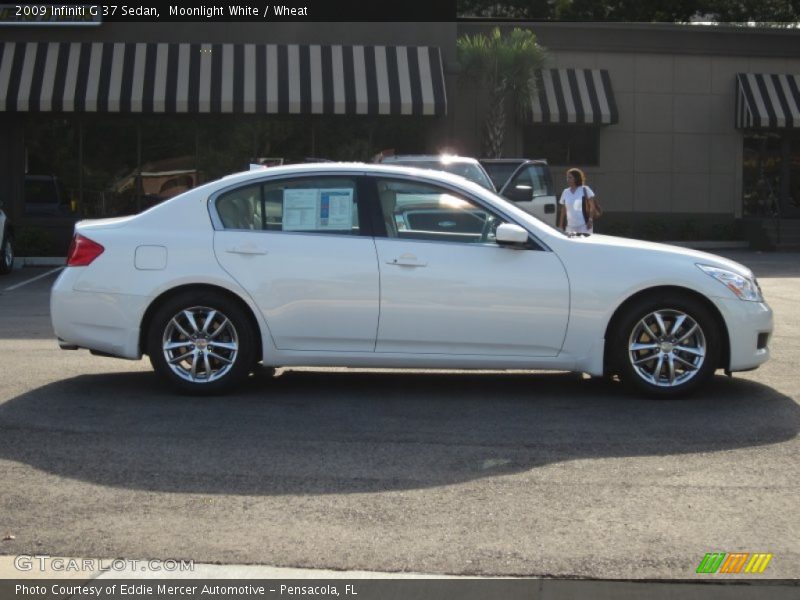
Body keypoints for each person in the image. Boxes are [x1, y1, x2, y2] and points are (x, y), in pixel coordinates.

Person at [557, 168, 598, 234]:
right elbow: (563, 209)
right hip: (570, 226)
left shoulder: (585, 189)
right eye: (567, 177)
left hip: (584, 225)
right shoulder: (565, 192)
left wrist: (590, 219)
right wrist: (560, 225)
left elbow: (592, 207)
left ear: (576, 178)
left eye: (570, 177)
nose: (568, 180)